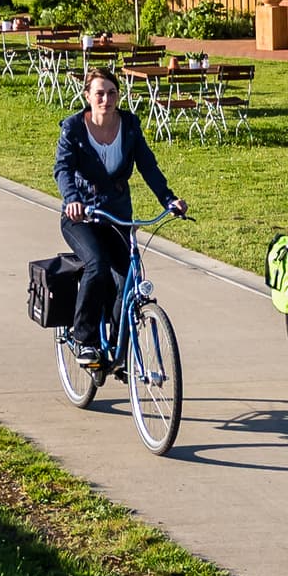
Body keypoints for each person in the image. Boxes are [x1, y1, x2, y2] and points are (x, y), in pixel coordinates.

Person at [52, 67, 184, 359]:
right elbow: (62, 169)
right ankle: (85, 339)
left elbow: (148, 166)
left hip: (117, 216)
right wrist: (72, 199)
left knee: (128, 281)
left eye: (112, 93)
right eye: (99, 93)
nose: (106, 99)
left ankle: (118, 350)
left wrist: (169, 199)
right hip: (82, 217)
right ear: (87, 96)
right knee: (97, 265)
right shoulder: (73, 128)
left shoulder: (130, 126)